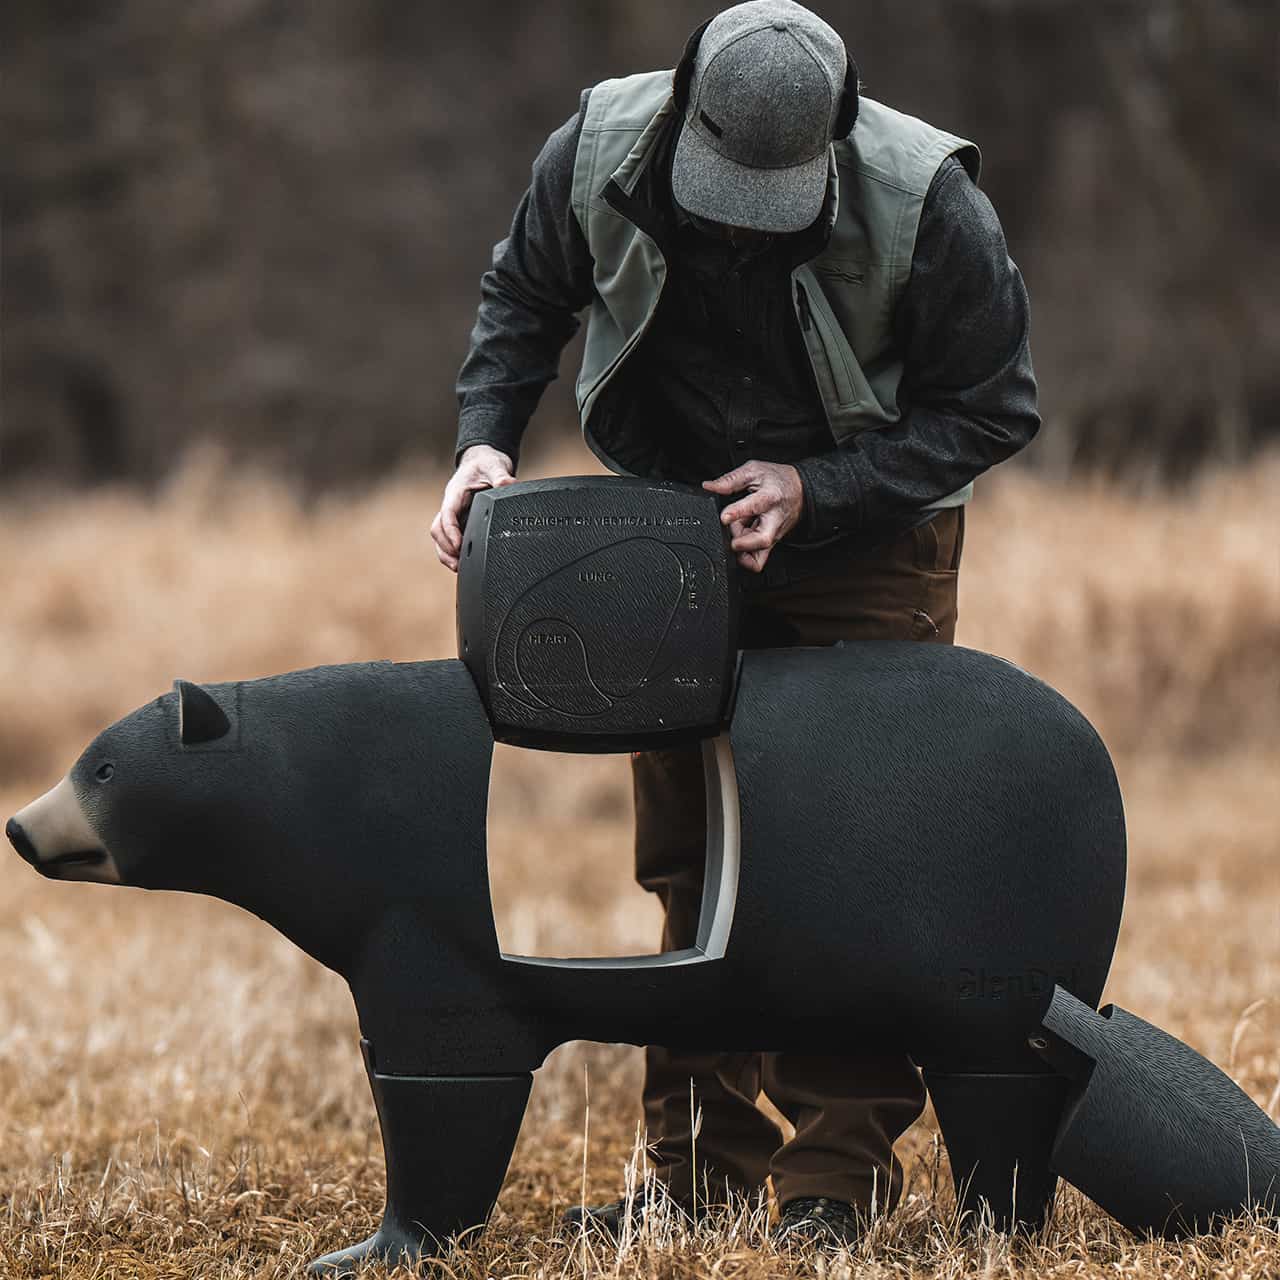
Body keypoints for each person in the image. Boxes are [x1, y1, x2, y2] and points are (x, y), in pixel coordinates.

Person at [431, 0, 1039, 1247]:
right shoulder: (593, 148)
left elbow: (990, 409)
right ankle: (697, 1175)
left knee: (848, 863)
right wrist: (483, 441)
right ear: (682, 115)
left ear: (837, 134)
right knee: (692, 853)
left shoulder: (931, 204)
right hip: (673, 532)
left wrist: (818, 492)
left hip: (868, 539)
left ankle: (832, 1182)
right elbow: (522, 297)